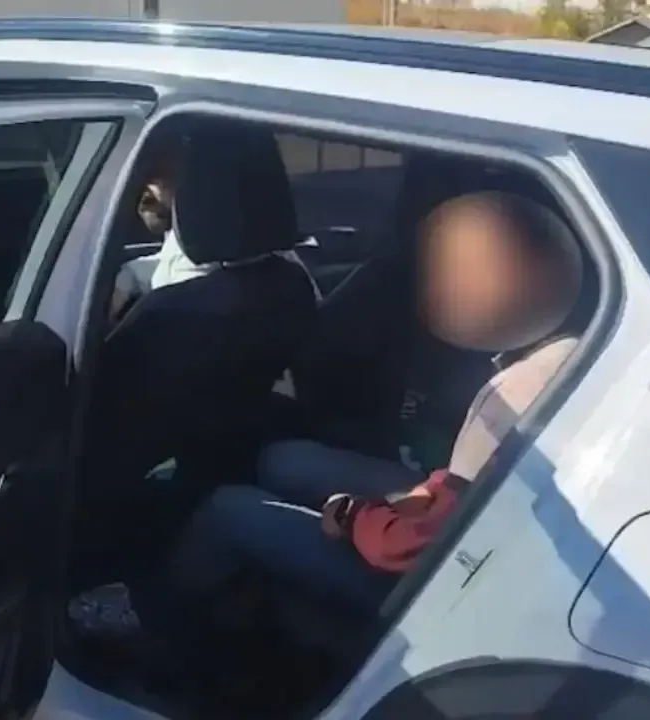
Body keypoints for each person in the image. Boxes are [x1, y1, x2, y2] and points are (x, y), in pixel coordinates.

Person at [163, 190, 584, 619]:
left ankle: (159, 618)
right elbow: (455, 495)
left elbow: (407, 545)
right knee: (282, 460)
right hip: (448, 508)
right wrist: (418, 496)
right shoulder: (572, 351)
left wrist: (351, 514)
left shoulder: (517, 398)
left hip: (425, 583)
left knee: (226, 509)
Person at [108, 140, 319, 322]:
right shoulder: (291, 273)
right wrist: (130, 275)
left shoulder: (176, 303)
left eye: (157, 176)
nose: (146, 187)